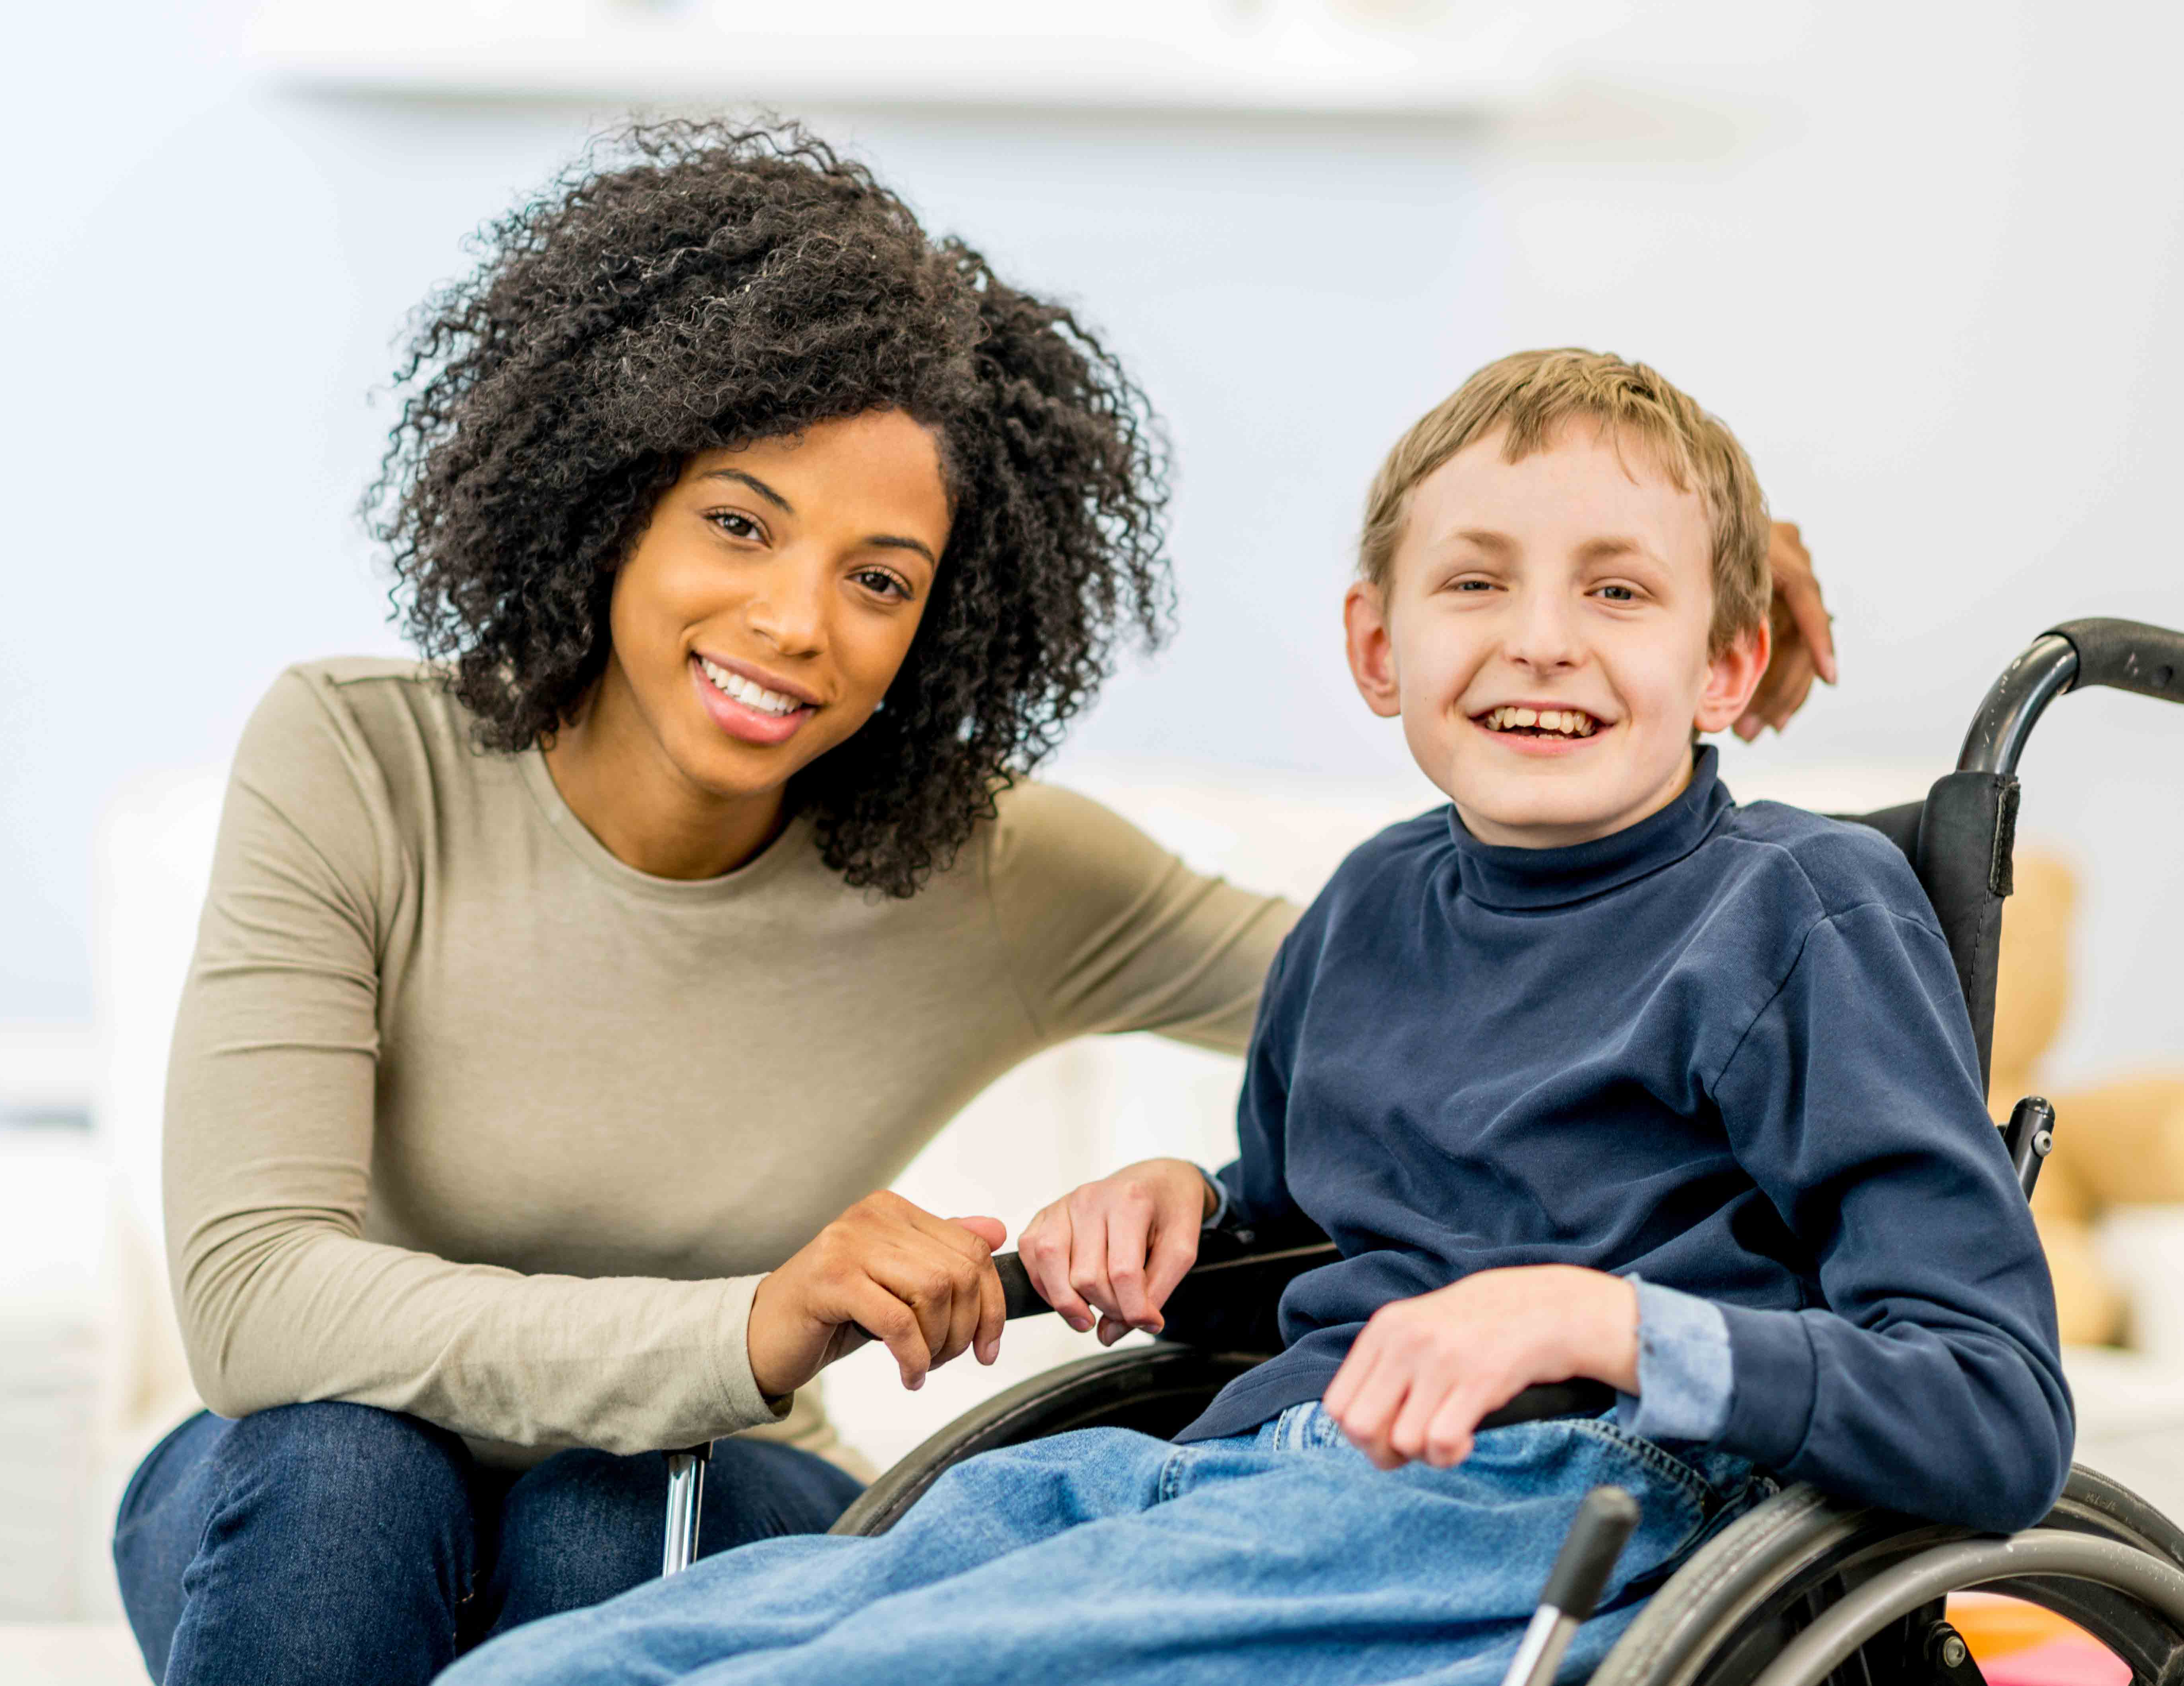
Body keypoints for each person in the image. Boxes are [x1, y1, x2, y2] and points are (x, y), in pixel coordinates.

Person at [108, 116, 1841, 1685]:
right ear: (606, 496)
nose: (797, 622)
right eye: (735, 523)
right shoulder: (355, 760)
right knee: (341, 1460)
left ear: (944, 622)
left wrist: (1652, 651)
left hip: (693, 1492)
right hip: (306, 1487)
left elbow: (1465, 1006)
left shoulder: (996, 869)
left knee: (606, 1507)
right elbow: (260, 1298)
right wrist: (749, 1324)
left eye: (879, 581)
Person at [439, 349, 2069, 1686]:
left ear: (1726, 667)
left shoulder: (1794, 916)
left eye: (1618, 592)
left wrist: (1586, 1321)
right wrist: (1188, 1206)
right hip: (1240, 1473)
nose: (1540, 637)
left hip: (1553, 1502)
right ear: (1379, 646)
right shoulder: (1367, 911)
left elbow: (1989, 1408)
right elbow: (1302, 1242)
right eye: (1475, 581)